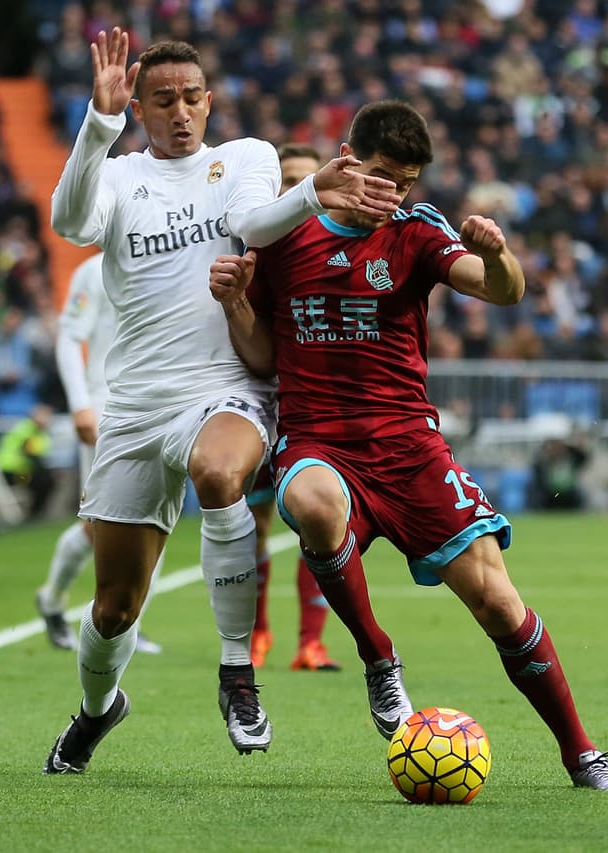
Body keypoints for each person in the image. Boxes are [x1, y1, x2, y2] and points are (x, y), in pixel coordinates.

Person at [211, 100, 608, 791]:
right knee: (316, 506)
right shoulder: (282, 236)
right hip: (319, 441)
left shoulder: (415, 230)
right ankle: (379, 656)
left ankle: (581, 753)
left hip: (410, 448)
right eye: (384, 177)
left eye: (406, 182)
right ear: (346, 157)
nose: (395, 194)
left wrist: (497, 253)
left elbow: (501, 291)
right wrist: (235, 303)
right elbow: (262, 359)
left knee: (500, 604)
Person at [42, 29, 399, 773]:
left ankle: (237, 672)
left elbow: (253, 224)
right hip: (135, 405)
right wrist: (96, 126)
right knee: (113, 608)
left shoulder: (245, 158)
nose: (180, 112)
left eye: (192, 98)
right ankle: (97, 711)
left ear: (210, 102)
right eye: (163, 100)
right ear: (138, 106)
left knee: (219, 474)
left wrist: (311, 191)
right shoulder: (117, 175)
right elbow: (71, 223)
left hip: (224, 386)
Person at [36, 252, 163, 655]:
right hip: (106, 410)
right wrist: (79, 404)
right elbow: (71, 337)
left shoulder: (168, 260)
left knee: (156, 522)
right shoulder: (93, 271)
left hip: (160, 408)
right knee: (99, 525)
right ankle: (53, 599)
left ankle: (131, 619)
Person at [247, 142, 339, 673]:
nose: (298, 190)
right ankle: (256, 633)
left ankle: (311, 643)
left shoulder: (341, 250)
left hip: (315, 413)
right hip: (263, 404)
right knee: (253, 525)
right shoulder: (258, 251)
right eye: (288, 180)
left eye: (308, 179)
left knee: (318, 526)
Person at [0, 404, 56, 520]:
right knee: (44, 482)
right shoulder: (27, 429)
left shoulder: (36, 431)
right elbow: (31, 454)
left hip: (20, 470)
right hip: (13, 471)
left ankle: (35, 513)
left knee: (46, 482)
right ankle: (34, 515)